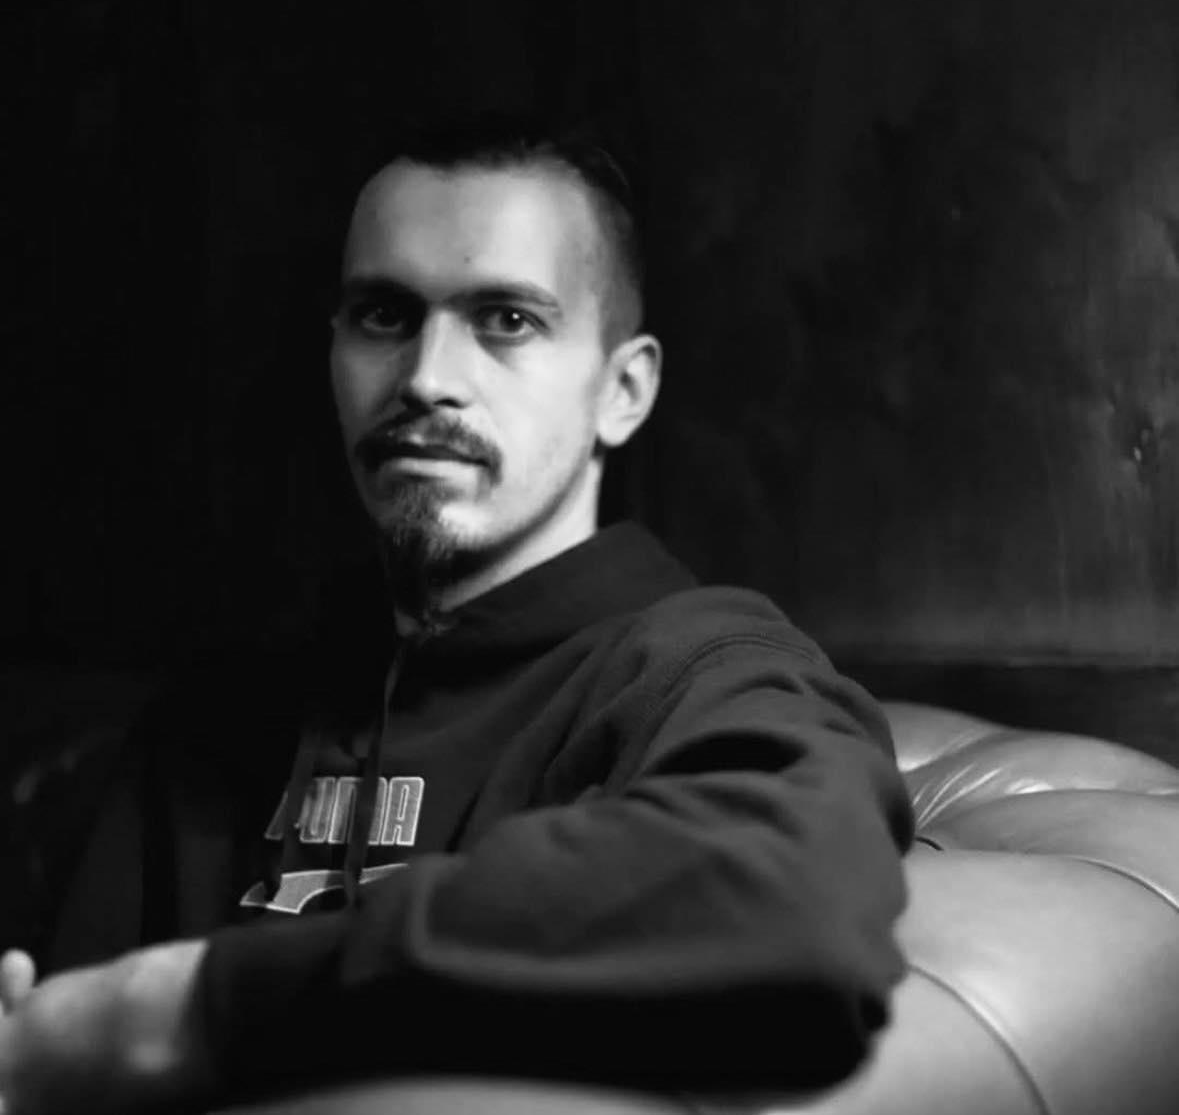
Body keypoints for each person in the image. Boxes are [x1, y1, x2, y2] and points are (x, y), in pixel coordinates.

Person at [0, 118, 914, 1114]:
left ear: (622, 390)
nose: (427, 377)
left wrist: (182, 1007)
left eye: (506, 320)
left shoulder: (696, 667)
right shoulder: (216, 712)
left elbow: (794, 897)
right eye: (384, 314)